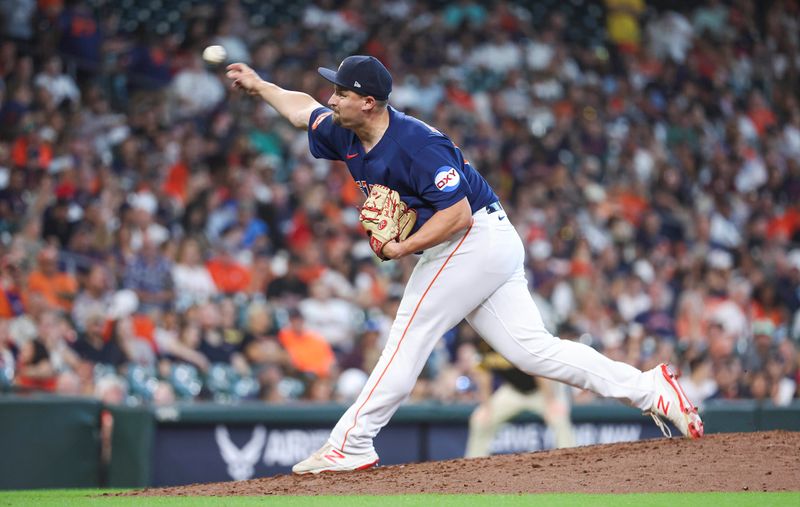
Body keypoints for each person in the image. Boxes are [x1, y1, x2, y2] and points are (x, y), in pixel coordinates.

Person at [225, 54, 703, 475]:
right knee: (533, 351)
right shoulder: (344, 130)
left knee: (409, 333)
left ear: (368, 101)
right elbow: (300, 110)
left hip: (474, 236)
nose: (332, 99)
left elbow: (456, 215)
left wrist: (399, 249)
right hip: (480, 241)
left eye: (342, 92)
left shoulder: (415, 144)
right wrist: (260, 85)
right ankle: (650, 389)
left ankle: (350, 444)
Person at [464, 340, 575, 458]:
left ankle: (570, 461)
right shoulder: (484, 342)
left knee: (558, 416)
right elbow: (483, 376)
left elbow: (540, 370)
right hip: (513, 390)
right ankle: (473, 465)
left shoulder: (515, 338)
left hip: (542, 389)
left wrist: (551, 401)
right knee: (479, 419)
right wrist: (487, 407)